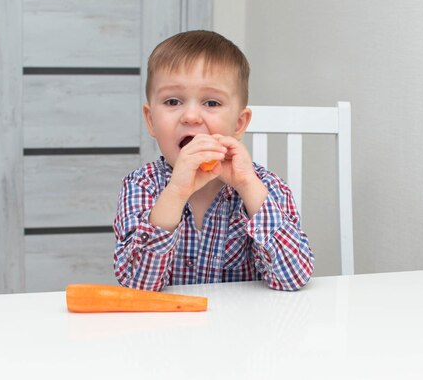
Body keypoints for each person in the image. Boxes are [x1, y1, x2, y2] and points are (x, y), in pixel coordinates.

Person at [113, 30, 313, 291]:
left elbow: (293, 278)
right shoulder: (141, 186)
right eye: (173, 101)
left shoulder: (266, 187)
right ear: (151, 120)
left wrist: (247, 185)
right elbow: (138, 284)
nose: (192, 116)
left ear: (239, 124)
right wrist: (175, 191)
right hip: (166, 329)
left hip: (243, 327)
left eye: (211, 102)